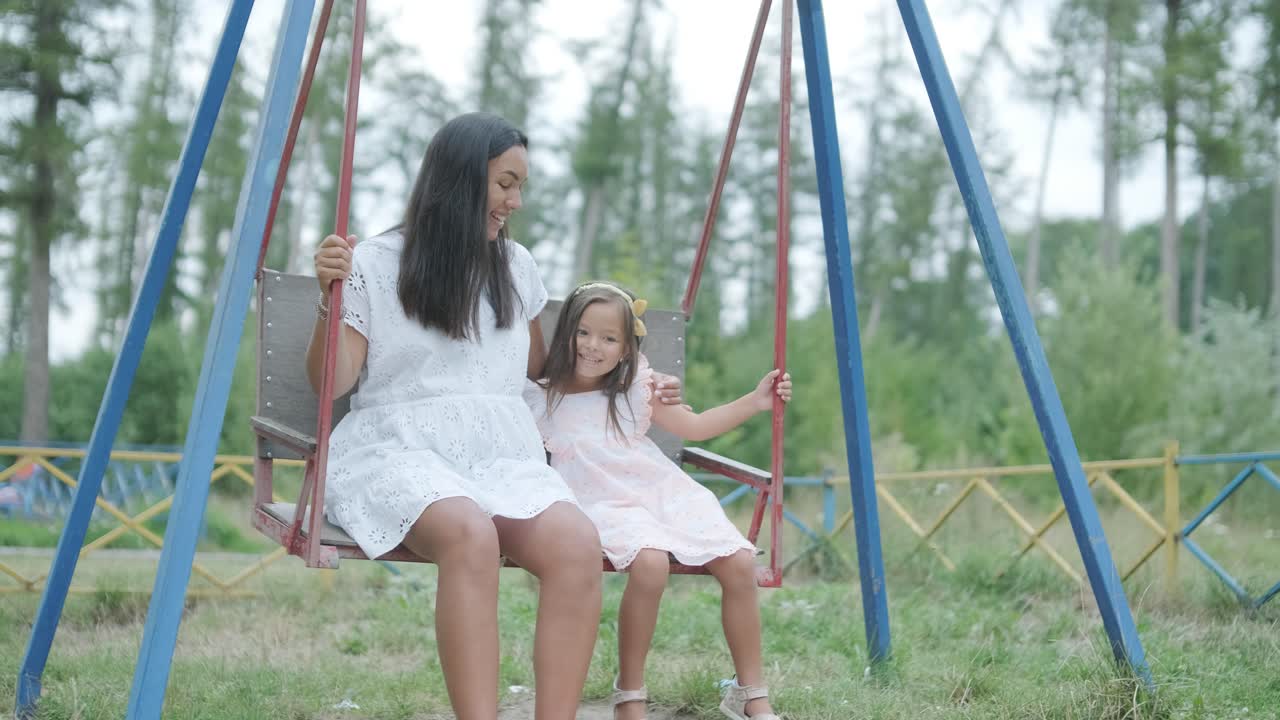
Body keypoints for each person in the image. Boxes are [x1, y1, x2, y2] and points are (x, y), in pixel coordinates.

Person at [307, 113, 681, 720]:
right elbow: (333, 382)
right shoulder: (373, 263)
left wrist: (636, 381)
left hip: (499, 455)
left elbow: (543, 369)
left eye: (520, 185)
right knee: (469, 534)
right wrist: (330, 299)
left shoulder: (515, 266)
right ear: (460, 178)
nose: (516, 200)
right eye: (506, 183)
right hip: (399, 449)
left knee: (576, 543)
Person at [522, 281, 792, 720]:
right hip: (598, 502)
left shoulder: (636, 389)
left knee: (740, 562)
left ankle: (750, 693)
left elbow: (697, 427)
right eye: (584, 333)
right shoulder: (542, 396)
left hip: (661, 491)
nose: (593, 346)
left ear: (627, 349)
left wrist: (755, 401)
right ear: (566, 332)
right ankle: (629, 693)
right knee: (650, 563)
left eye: (609, 339)